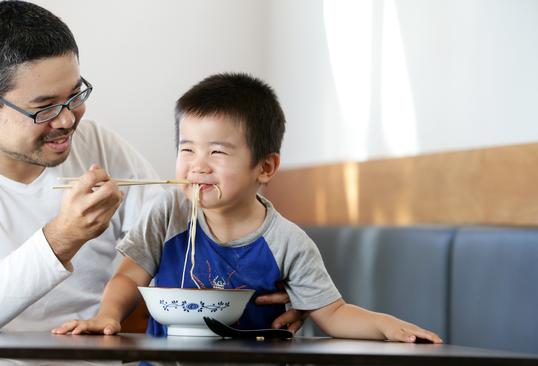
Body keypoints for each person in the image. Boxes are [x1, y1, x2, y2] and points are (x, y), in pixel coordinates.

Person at [0, 2, 303, 365]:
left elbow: (183, 229)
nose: (67, 120)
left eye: (75, 95)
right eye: (44, 107)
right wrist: (60, 239)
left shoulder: (97, 142)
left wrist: (273, 278)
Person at [52, 72, 444, 345]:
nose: (197, 165)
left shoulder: (287, 241)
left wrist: (386, 326)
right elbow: (126, 277)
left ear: (266, 167)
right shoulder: (168, 211)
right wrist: (108, 315)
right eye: (186, 149)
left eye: (217, 152)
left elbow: (333, 313)